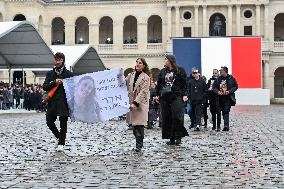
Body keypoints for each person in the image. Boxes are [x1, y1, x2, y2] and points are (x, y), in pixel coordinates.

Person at [43, 52, 73, 151]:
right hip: (52, 102)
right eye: (56, 60)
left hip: (64, 102)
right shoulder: (50, 73)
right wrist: (54, 82)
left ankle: (61, 143)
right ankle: (59, 137)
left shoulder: (69, 74)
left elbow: (73, 88)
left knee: (63, 123)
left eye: (59, 60)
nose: (57, 61)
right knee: (49, 122)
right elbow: (45, 86)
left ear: (63, 61)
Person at [156, 54, 188, 145]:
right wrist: (157, 95)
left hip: (176, 96)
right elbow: (159, 84)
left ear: (170, 60)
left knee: (177, 116)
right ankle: (171, 138)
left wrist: (185, 94)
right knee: (167, 117)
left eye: (166, 59)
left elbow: (185, 83)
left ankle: (178, 137)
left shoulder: (179, 70)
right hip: (165, 97)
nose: (164, 61)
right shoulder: (162, 71)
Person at [126, 58, 150, 152]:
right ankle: (138, 143)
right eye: (137, 62)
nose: (138, 64)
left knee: (139, 125)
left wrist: (135, 102)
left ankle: (139, 145)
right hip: (132, 102)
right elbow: (123, 83)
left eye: (140, 63)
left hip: (140, 104)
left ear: (143, 65)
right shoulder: (131, 75)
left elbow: (143, 92)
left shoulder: (146, 77)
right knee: (134, 125)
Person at [213, 66, 238, 131]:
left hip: (228, 97)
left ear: (225, 71)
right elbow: (214, 87)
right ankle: (218, 126)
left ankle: (226, 125)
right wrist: (218, 92)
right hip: (219, 98)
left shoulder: (231, 78)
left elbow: (235, 86)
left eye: (221, 70)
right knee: (219, 112)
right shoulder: (218, 79)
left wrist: (229, 91)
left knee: (226, 111)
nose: (220, 71)